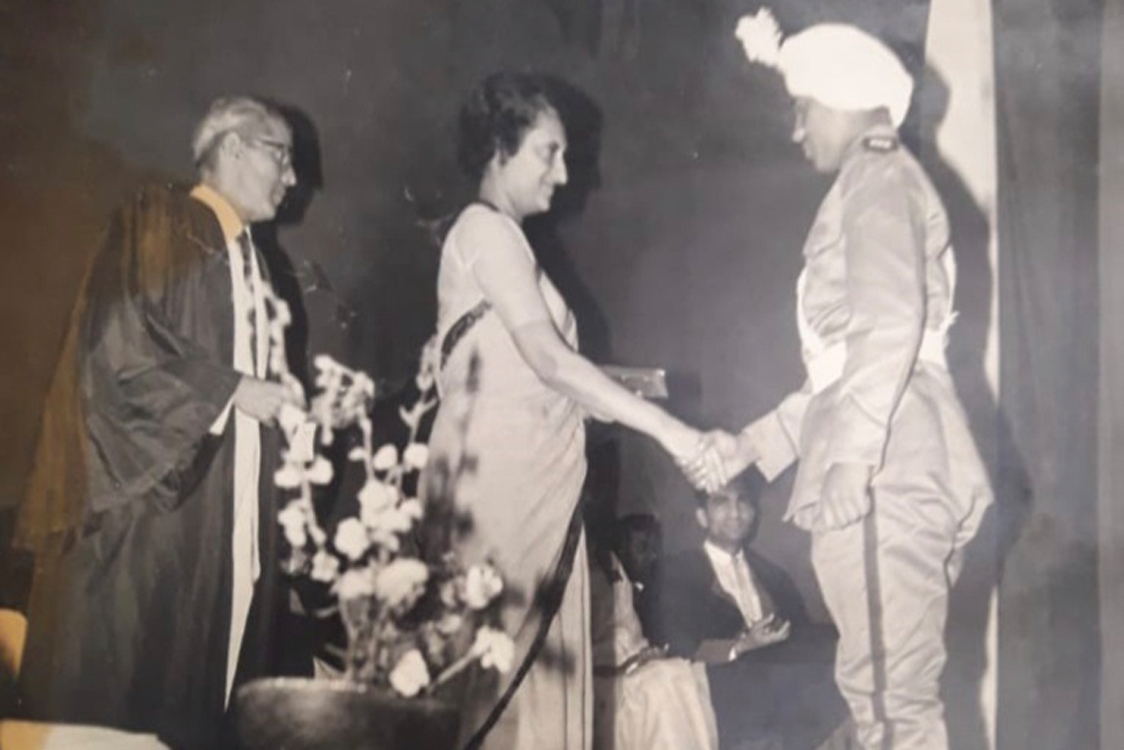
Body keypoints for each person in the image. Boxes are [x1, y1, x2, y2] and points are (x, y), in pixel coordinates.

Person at [687, 10, 993, 750]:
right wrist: (752, 446)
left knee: (889, 707)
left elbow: (889, 323)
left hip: (884, 467)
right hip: (897, 450)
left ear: (843, 98)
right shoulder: (879, 180)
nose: (797, 132)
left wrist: (853, 459)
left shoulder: (876, 175)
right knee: (880, 708)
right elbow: (847, 368)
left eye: (802, 109)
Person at [421, 71, 706, 750]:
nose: (564, 172)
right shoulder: (483, 230)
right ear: (500, 148)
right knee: (492, 682)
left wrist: (639, 389)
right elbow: (550, 364)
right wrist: (674, 434)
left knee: (525, 677)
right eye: (549, 152)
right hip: (501, 486)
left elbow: (535, 369)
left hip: (537, 483)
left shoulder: (506, 242)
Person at [14, 96, 305, 749]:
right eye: (280, 156)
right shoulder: (163, 221)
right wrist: (233, 389)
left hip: (227, 533)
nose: (293, 178)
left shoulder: (256, 263)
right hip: (153, 528)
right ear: (232, 147)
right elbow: (116, 351)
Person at [661, 479, 792, 749]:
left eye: (743, 501)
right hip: (713, 701)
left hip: (777, 702)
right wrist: (740, 646)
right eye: (721, 502)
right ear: (702, 516)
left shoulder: (773, 575)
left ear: (754, 513)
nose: (735, 512)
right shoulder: (676, 573)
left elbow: (799, 632)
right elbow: (675, 643)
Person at [588, 532, 718, 750]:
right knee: (658, 682)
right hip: (597, 676)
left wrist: (647, 653)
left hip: (632, 659)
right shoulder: (558, 571)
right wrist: (626, 665)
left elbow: (628, 627)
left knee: (685, 671)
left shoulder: (608, 561)